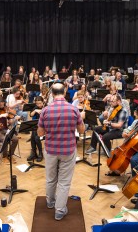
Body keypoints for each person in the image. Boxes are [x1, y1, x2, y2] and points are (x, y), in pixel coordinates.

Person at [37, 83, 85, 221]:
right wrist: (82, 117)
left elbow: (40, 133)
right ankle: (60, 210)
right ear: (64, 93)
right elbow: (81, 131)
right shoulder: (74, 109)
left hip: (51, 150)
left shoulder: (45, 110)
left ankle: (50, 202)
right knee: (64, 182)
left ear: (52, 93)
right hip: (68, 150)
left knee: (51, 178)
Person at [0, 96, 19, 164]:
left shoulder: (5, 109)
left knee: (15, 139)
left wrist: (15, 119)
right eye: (1, 104)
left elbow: (10, 121)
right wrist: (0, 116)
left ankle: (10, 155)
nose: (2, 106)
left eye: (3, 104)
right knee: (5, 139)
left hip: (5, 129)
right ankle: (4, 157)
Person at [28, 96, 44, 162]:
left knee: (36, 137)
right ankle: (34, 152)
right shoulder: (36, 107)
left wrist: (42, 111)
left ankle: (40, 153)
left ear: (43, 102)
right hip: (37, 126)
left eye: (40, 103)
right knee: (33, 136)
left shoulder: (46, 107)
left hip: (44, 127)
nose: (38, 105)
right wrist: (35, 110)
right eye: (37, 103)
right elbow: (31, 115)